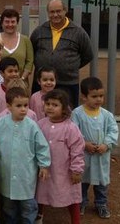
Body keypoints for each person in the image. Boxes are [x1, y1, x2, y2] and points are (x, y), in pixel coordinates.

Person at [0, 87, 51, 224]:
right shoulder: (1, 123)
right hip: (7, 175)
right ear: (9, 106)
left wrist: (44, 165)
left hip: (26, 177)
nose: (23, 109)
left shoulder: (32, 126)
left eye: (26, 105)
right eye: (18, 106)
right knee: (8, 208)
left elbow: (42, 147)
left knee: (28, 207)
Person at [30, 0, 93, 108]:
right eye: (52, 12)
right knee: (40, 112)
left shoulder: (78, 32)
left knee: (66, 113)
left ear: (65, 11)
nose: (55, 15)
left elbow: (87, 55)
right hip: (42, 83)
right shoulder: (39, 31)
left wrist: (70, 66)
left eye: (58, 11)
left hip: (67, 83)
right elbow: (32, 52)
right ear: (48, 13)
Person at [72, 77, 119, 219]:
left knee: (101, 182)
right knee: (83, 181)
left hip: (101, 156)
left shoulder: (106, 115)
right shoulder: (77, 113)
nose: (98, 99)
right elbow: (74, 132)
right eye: (94, 96)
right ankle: (81, 202)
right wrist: (84, 144)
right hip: (84, 156)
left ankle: (101, 204)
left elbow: (113, 130)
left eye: (101, 96)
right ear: (84, 97)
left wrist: (106, 144)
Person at [36, 89, 85, 224]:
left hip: (65, 171)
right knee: (41, 194)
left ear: (64, 108)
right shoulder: (40, 124)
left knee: (71, 196)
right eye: (48, 104)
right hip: (45, 169)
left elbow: (77, 150)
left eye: (55, 105)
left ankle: (75, 220)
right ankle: (39, 217)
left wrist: (76, 170)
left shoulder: (71, 128)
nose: (50, 107)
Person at [0, 9, 34, 83]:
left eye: (13, 22)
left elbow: (29, 62)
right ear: (2, 23)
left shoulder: (25, 40)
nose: (10, 24)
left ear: (17, 23)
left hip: (21, 85)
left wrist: (22, 79)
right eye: (7, 22)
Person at [0, 57, 25, 123]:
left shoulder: (22, 89)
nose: (14, 74)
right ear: (1, 73)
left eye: (16, 71)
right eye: (10, 71)